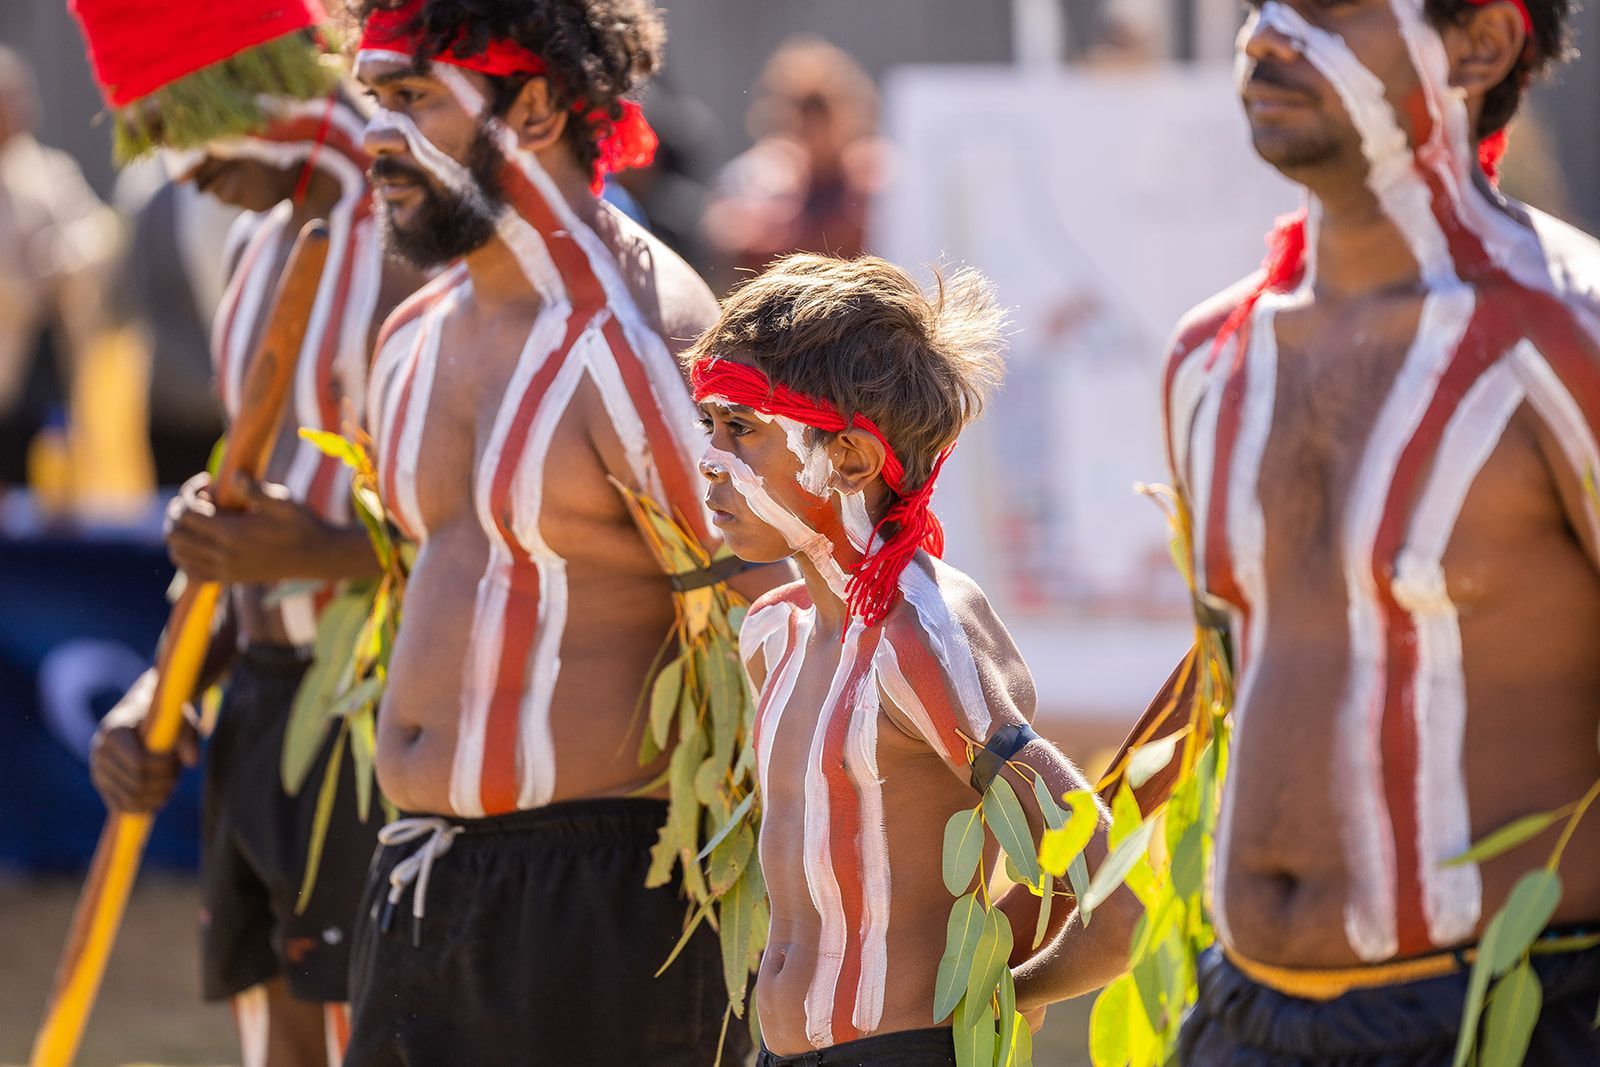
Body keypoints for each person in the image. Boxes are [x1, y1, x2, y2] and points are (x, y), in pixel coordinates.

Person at [1158, 0, 1600, 1062]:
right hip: (1237, 1007)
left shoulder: (1561, 337)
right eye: (1257, 3)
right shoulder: (1211, 359)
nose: (1265, 35)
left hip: (1506, 1012)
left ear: (1480, 43)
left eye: (1326, 6)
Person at [346, 1, 787, 1062]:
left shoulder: (642, 344)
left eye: (412, 99)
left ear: (535, 108)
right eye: (374, 99)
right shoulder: (411, 334)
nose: (376, 137)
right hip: (415, 872)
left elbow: (778, 606)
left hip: (603, 901)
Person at [70, 0, 423, 1061]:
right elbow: (245, 521)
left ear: (266, 92)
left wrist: (313, 554)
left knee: (368, 1023)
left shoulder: (412, 257)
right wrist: (160, 691)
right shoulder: (255, 254)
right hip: (265, 706)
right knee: (273, 1032)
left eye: (185, 131)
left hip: (382, 721)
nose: (182, 176)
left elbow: (500, 534)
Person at [688, 254, 1141, 1064]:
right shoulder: (774, 632)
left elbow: (1118, 902)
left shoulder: (920, 643)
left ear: (852, 460)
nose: (712, 460)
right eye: (709, 426)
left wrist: (1002, 997)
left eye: (744, 430)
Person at [700, 36, 887, 290]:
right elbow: (723, 238)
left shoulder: (872, 178)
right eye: (805, 114)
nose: (815, 130)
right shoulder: (759, 178)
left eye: (822, 113)